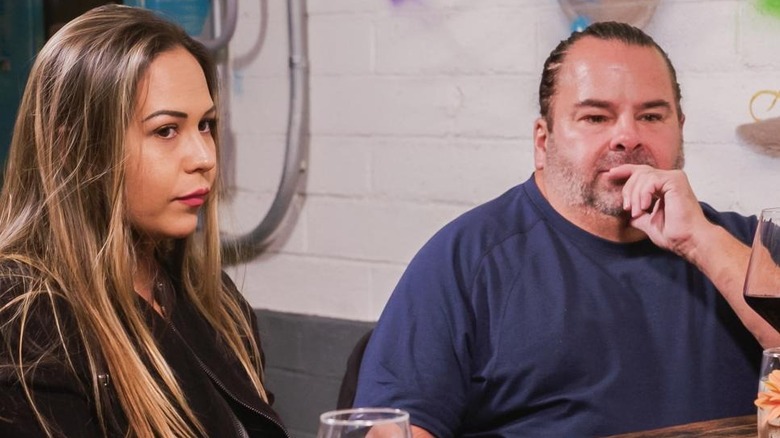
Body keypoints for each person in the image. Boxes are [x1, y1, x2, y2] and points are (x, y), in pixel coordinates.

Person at [354, 21, 780, 437]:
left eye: (651, 116)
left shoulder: (745, 246)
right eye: (596, 117)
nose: (627, 137)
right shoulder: (468, 259)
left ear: (680, 130)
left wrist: (699, 240)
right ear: (543, 142)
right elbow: (393, 429)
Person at [0, 5, 288, 437]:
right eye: (166, 130)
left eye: (205, 125)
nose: (204, 158)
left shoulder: (214, 300)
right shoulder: (25, 318)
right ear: (72, 147)